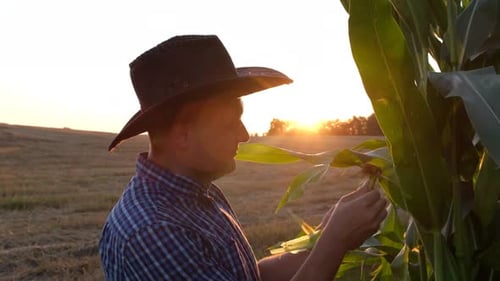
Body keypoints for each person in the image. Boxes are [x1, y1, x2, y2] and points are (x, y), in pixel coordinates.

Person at [99, 34, 387, 281]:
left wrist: (323, 239)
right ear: (182, 136)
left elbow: (244, 274)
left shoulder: (198, 193)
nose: (245, 135)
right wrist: (334, 243)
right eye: (229, 124)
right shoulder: (154, 232)